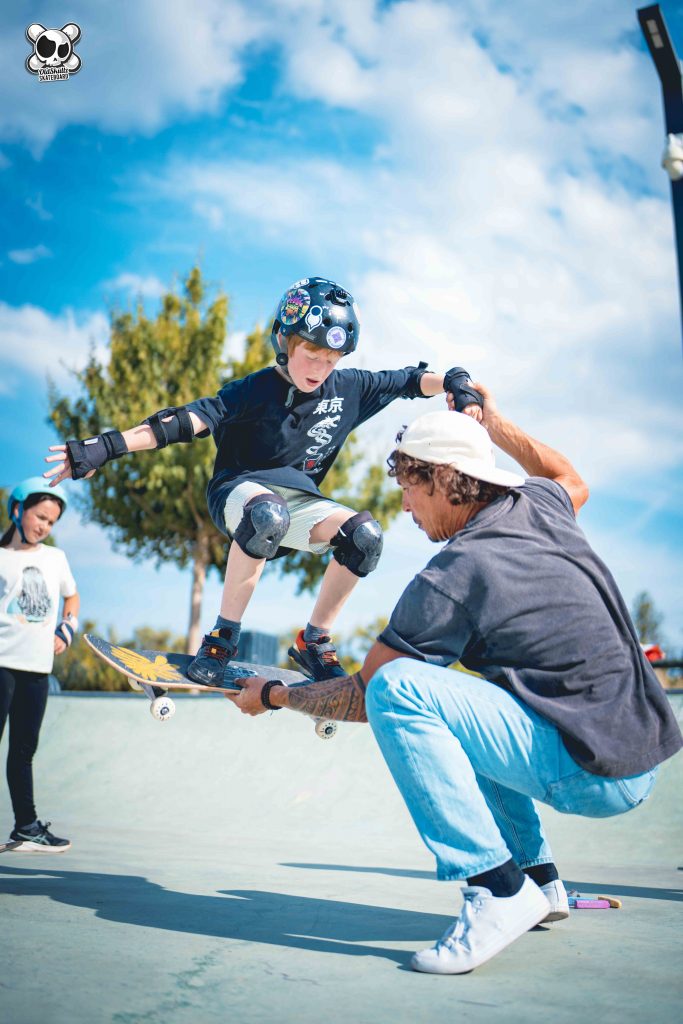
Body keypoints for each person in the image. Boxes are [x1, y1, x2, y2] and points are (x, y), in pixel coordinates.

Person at [227, 383, 682, 974]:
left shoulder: (454, 573)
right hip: (640, 756)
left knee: (402, 687)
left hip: (591, 774)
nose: (406, 509)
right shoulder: (542, 504)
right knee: (475, 698)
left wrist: (276, 695)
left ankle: (496, 888)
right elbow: (570, 475)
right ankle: (540, 882)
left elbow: (372, 695)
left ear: (443, 479)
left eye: (411, 490)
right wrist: (494, 423)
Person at [43, 276, 481, 685]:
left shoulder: (349, 388)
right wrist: (103, 447)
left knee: (364, 537)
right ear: (285, 341)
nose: (320, 368)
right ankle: (221, 640)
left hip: (300, 504)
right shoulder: (251, 391)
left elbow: (408, 381)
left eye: (331, 360)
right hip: (239, 492)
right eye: (311, 355)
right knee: (267, 515)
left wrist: (456, 382)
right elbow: (179, 424)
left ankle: (314, 641)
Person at [0, 477, 79, 852]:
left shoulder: (55, 558)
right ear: (17, 510)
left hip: (36, 670)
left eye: (51, 522)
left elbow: (72, 597)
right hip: (1, 665)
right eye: (40, 517)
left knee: (23, 752)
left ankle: (26, 826)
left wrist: (67, 629)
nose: (44, 526)